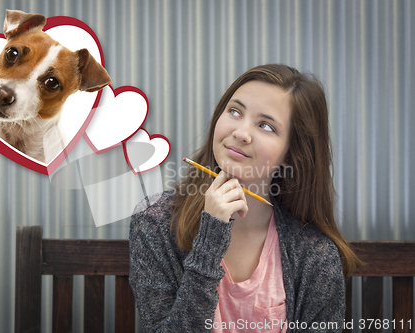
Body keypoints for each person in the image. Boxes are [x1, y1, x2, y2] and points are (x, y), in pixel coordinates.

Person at [129, 64, 361, 332]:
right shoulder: (154, 223)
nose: (240, 133)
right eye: (235, 111)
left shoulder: (315, 256)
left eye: (266, 125)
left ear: (290, 153)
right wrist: (210, 239)